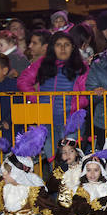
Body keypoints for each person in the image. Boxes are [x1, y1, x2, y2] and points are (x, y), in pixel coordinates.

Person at [17, 32, 89, 160]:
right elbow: (23, 81)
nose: (62, 48)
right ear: (52, 47)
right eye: (58, 45)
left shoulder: (81, 67)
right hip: (46, 119)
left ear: (73, 47)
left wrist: (72, 106)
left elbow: (87, 93)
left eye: (66, 45)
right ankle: (54, 181)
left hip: (72, 119)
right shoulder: (42, 63)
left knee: (71, 160)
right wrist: (36, 99)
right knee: (52, 159)